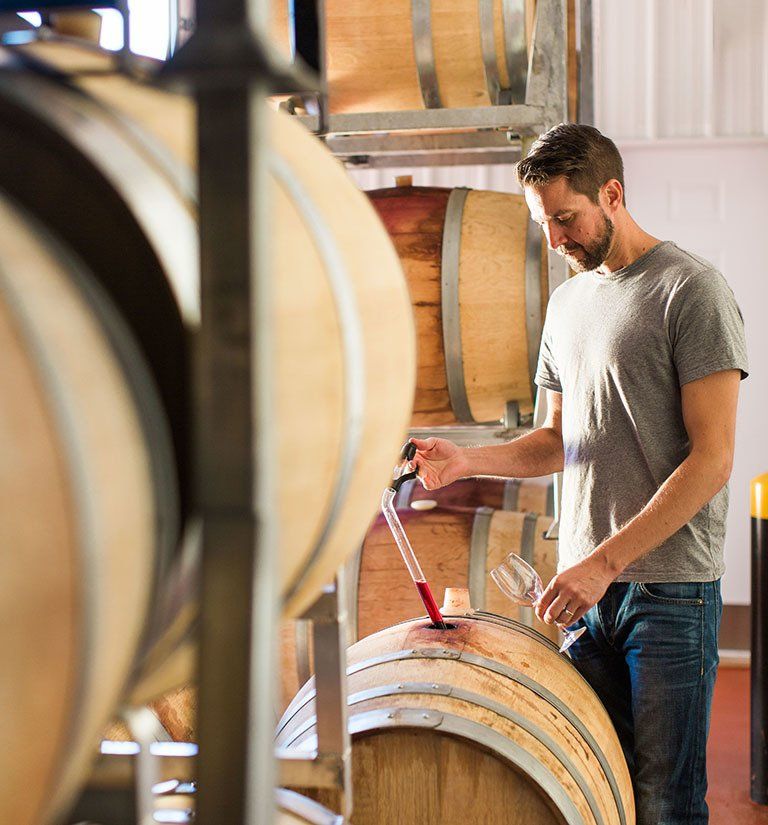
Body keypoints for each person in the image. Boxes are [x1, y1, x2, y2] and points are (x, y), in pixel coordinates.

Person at [409, 123, 748, 825]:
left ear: (613, 194)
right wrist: (468, 459)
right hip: (585, 596)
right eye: (544, 224)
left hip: (669, 593)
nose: (556, 239)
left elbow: (713, 458)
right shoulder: (566, 304)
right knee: (598, 788)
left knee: (665, 802)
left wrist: (604, 561)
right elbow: (558, 440)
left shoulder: (691, 290)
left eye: (566, 218)